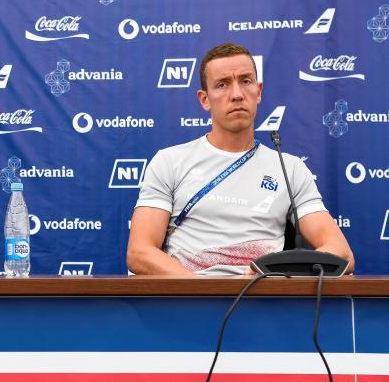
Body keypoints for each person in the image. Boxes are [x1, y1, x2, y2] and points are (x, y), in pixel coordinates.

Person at [127, 43, 354, 275]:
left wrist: (280, 273)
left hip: (263, 300)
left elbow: (341, 253)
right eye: (222, 85)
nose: (236, 95)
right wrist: (204, 292)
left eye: (245, 81)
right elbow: (139, 253)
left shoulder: (291, 168)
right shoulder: (169, 161)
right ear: (204, 99)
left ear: (259, 91)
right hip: (189, 300)